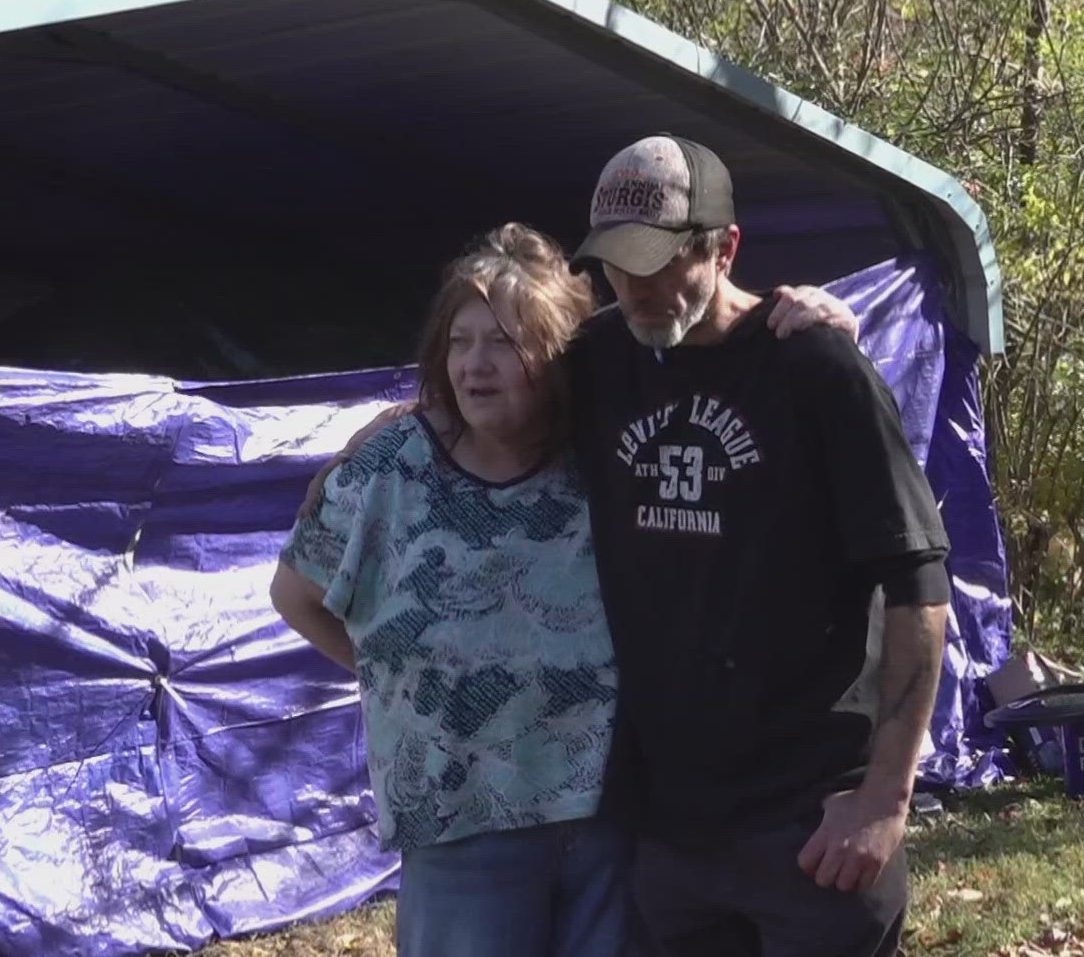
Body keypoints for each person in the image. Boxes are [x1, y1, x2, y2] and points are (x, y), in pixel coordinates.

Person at [272, 223, 858, 957]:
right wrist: (402, 683)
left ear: (554, 357)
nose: (476, 366)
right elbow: (296, 596)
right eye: (461, 341)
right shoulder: (395, 462)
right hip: (462, 828)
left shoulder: (609, 450)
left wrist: (811, 317)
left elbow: (704, 346)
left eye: (506, 343)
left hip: (611, 820)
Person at [566, 134, 952, 956]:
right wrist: (376, 441)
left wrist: (886, 798)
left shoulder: (811, 365)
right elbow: (480, 407)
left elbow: (920, 582)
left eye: (659, 261)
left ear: (724, 247)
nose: (635, 288)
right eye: (614, 265)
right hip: (671, 830)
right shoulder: (600, 361)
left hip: (811, 826)